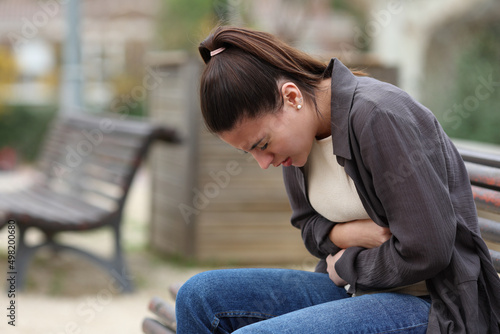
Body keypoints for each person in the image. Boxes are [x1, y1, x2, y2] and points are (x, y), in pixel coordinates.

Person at [175, 26, 500, 333]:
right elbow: (308, 227)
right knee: (197, 296)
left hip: (432, 306)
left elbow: (425, 251)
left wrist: (347, 263)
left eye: (262, 144)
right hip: (357, 291)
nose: (264, 162)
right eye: (251, 153)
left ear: (291, 97)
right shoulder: (298, 141)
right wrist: (348, 233)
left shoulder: (377, 116)